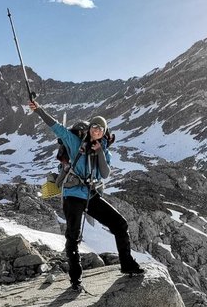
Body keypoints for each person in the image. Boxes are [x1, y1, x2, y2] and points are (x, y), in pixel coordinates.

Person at [29, 100, 144, 290]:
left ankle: (127, 264)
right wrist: (39, 110)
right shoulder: (75, 143)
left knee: (120, 224)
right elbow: (57, 128)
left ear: (104, 131)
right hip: (73, 194)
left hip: (90, 195)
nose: (97, 130)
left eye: (101, 128)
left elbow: (105, 173)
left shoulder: (104, 151)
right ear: (90, 129)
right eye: (94, 126)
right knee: (73, 236)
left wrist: (99, 152)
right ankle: (75, 279)